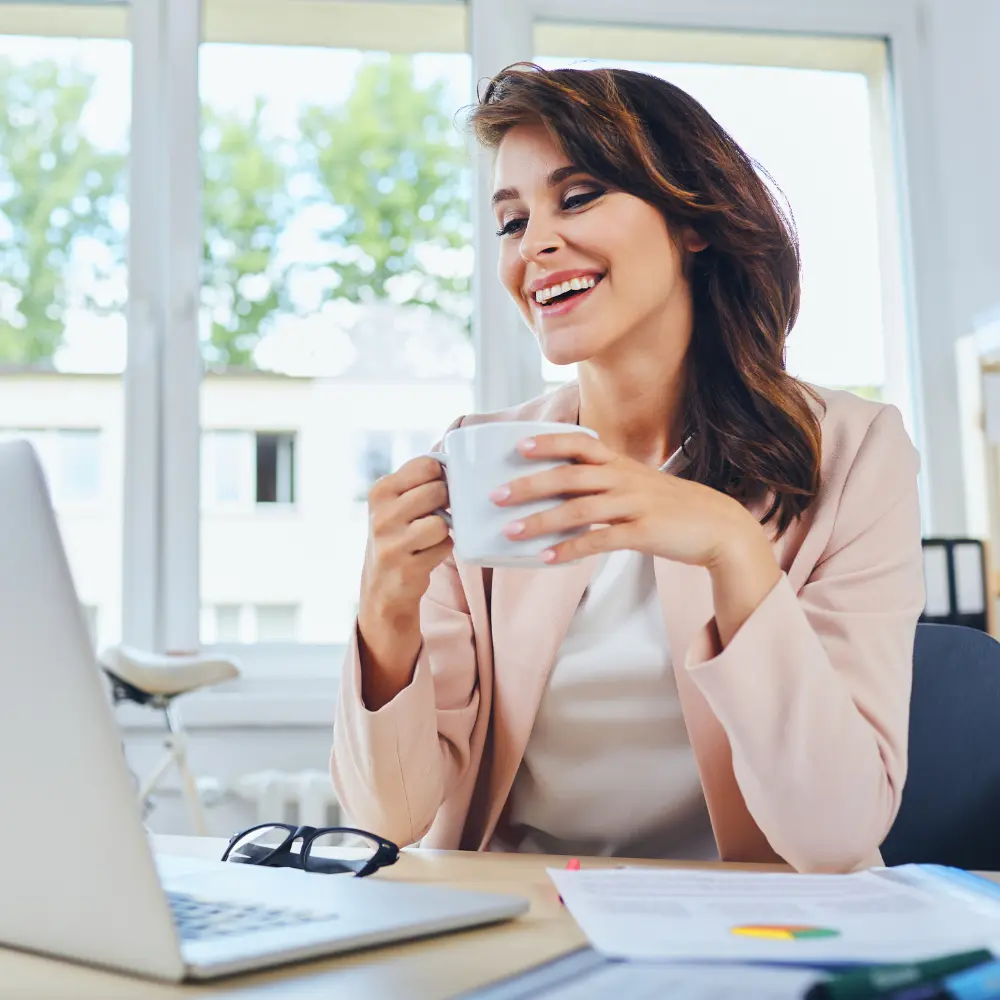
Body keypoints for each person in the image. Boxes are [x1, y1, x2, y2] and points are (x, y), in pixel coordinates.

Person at [330, 63, 924, 873]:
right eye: (511, 222)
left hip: (752, 931)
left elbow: (835, 833)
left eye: (577, 199)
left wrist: (730, 545)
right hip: (522, 919)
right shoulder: (477, 458)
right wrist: (384, 617)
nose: (535, 243)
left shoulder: (855, 452)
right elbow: (388, 819)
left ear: (693, 222)